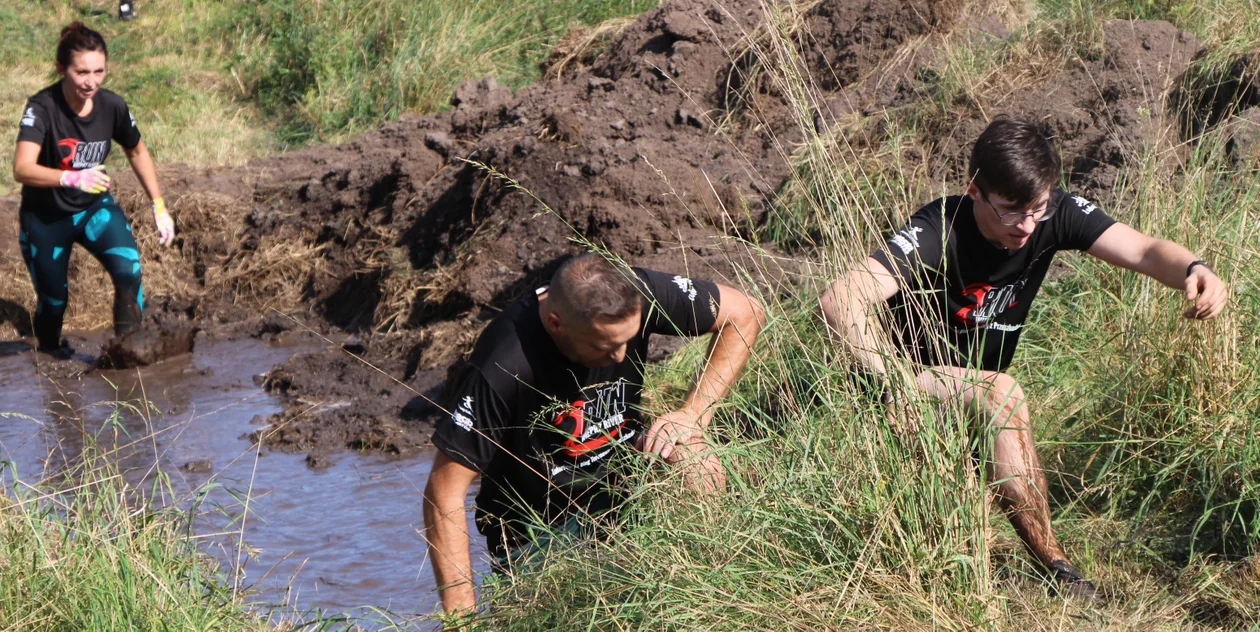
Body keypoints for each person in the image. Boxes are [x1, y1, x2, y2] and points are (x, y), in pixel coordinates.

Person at [820, 117, 1228, 599]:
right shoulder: (938, 228)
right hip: (906, 384)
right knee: (1000, 391)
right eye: (1013, 212)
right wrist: (897, 383)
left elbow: (1142, 250)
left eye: (1038, 209)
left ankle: (1055, 568)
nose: (1028, 226)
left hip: (968, 386)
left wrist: (1195, 268)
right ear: (975, 190)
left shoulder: (1050, 213)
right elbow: (840, 300)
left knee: (993, 398)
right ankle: (1056, 566)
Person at [424, 253, 764, 614]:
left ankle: (707, 597)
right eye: (603, 347)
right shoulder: (504, 364)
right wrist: (463, 620)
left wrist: (693, 413)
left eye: (628, 340)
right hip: (539, 532)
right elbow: (443, 492)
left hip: (624, 484)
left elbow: (746, 312)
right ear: (557, 324)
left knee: (697, 462)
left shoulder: (637, 292)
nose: (621, 356)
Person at [12, 22, 174, 358]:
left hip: (94, 210)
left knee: (128, 271)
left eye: (99, 71)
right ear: (62, 69)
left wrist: (159, 205)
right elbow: (21, 168)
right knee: (54, 300)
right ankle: (51, 354)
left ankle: (127, 356)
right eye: (81, 72)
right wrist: (70, 177)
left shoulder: (112, 105)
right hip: (46, 218)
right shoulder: (42, 107)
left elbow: (137, 151)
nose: (91, 81)